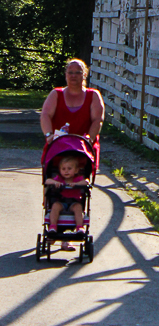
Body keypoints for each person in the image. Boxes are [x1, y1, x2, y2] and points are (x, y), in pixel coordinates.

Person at [40, 58, 104, 251]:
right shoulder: (56, 94)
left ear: (84, 75)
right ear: (65, 74)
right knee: (52, 187)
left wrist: (89, 139)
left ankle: (70, 232)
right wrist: (49, 135)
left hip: (82, 149)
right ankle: (53, 229)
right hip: (58, 148)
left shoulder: (93, 96)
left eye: (78, 72)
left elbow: (97, 120)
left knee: (78, 190)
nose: (73, 76)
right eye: (70, 72)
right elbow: (45, 115)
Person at [45, 153, 89, 238]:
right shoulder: (59, 179)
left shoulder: (78, 179)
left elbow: (86, 182)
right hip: (62, 201)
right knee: (55, 206)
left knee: (78, 207)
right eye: (63, 169)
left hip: (74, 202)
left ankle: (79, 227)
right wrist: (55, 182)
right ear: (60, 170)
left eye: (69, 169)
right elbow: (47, 181)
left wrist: (76, 184)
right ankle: (53, 226)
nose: (66, 171)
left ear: (76, 170)